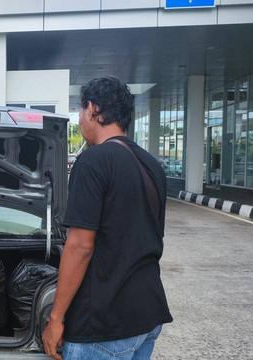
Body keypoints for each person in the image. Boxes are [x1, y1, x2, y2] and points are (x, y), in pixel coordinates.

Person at [42, 76, 173, 360]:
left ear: (92, 109)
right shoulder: (151, 164)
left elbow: (80, 247)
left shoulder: (93, 161)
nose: (79, 118)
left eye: (79, 110)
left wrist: (56, 318)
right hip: (147, 315)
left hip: (104, 325)